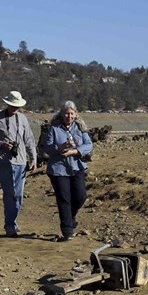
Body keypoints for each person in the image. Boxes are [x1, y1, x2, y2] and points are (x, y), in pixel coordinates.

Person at [0, 91, 37, 237]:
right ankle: (10, 225)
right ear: (7, 104)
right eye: (13, 106)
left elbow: (29, 140)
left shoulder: (23, 119)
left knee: (18, 195)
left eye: (17, 106)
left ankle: (12, 221)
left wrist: (33, 158)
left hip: (21, 162)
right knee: (9, 195)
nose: (15, 108)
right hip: (5, 163)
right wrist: (1, 144)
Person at [42, 100, 93, 241]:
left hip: (77, 166)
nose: (69, 116)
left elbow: (89, 145)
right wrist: (59, 149)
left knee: (80, 196)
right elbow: (47, 147)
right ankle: (67, 230)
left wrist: (76, 151)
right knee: (64, 199)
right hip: (58, 169)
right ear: (61, 114)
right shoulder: (54, 128)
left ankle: (70, 218)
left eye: (71, 113)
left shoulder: (80, 127)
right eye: (66, 113)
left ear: (75, 114)